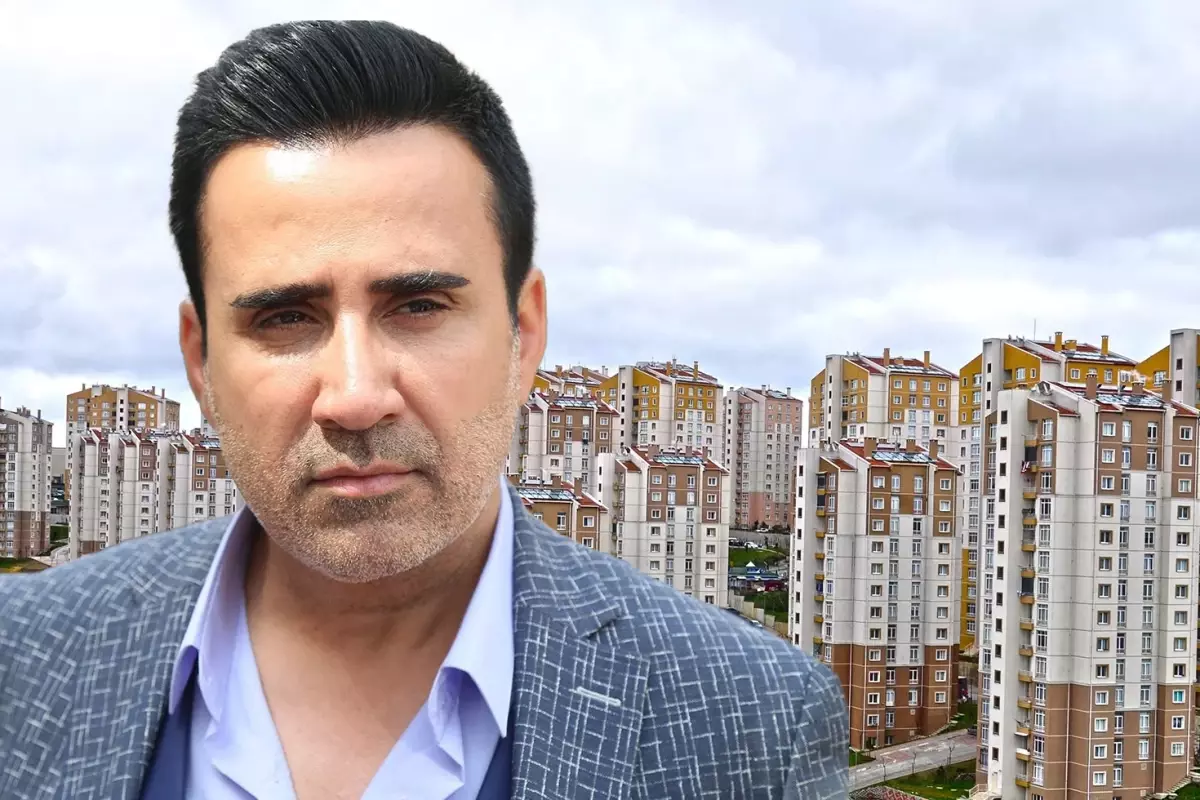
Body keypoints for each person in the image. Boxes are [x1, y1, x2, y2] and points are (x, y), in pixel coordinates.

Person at [0, 20, 847, 800]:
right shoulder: (24, 658)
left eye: (417, 307)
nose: (355, 397)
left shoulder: (749, 720)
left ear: (523, 333)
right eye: (285, 318)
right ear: (200, 361)